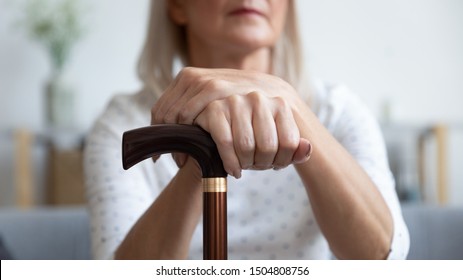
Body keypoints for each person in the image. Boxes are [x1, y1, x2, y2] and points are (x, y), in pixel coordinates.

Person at [84, 0, 409, 260]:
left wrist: (289, 104)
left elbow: (383, 258)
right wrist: (203, 155)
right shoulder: (123, 125)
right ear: (177, 6)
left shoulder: (336, 112)